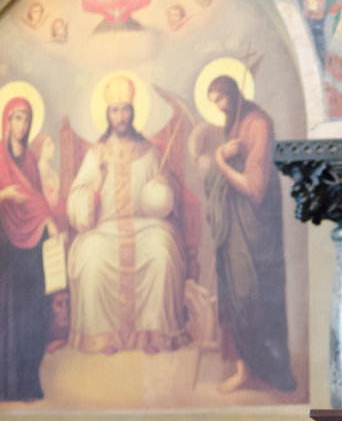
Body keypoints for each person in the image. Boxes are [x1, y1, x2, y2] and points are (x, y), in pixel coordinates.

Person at [66, 75, 188, 355]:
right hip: (104, 229)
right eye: (115, 110)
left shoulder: (149, 152)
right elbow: (76, 197)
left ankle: (155, 334)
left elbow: (168, 196)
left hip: (147, 227)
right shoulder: (96, 155)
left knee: (162, 253)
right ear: (107, 114)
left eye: (125, 110)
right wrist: (93, 190)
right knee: (91, 259)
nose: (120, 117)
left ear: (133, 112)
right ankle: (103, 336)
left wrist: (164, 185)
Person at [205, 75, 296, 394]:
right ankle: (244, 370)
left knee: (254, 297)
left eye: (221, 99)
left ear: (234, 94)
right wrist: (221, 157)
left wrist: (220, 161)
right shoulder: (232, 127)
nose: (219, 107)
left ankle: (269, 370)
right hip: (234, 229)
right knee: (234, 296)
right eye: (213, 102)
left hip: (257, 231)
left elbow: (254, 188)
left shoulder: (258, 123)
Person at [0, 97, 55, 401]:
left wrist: (48, 220)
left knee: (33, 311)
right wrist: (4, 195)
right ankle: (5, 386)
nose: (22, 125)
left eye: (26, 119)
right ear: (7, 121)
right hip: (5, 244)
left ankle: (27, 384)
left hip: (32, 242)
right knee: (7, 312)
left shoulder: (30, 160)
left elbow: (37, 199)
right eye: (17, 118)